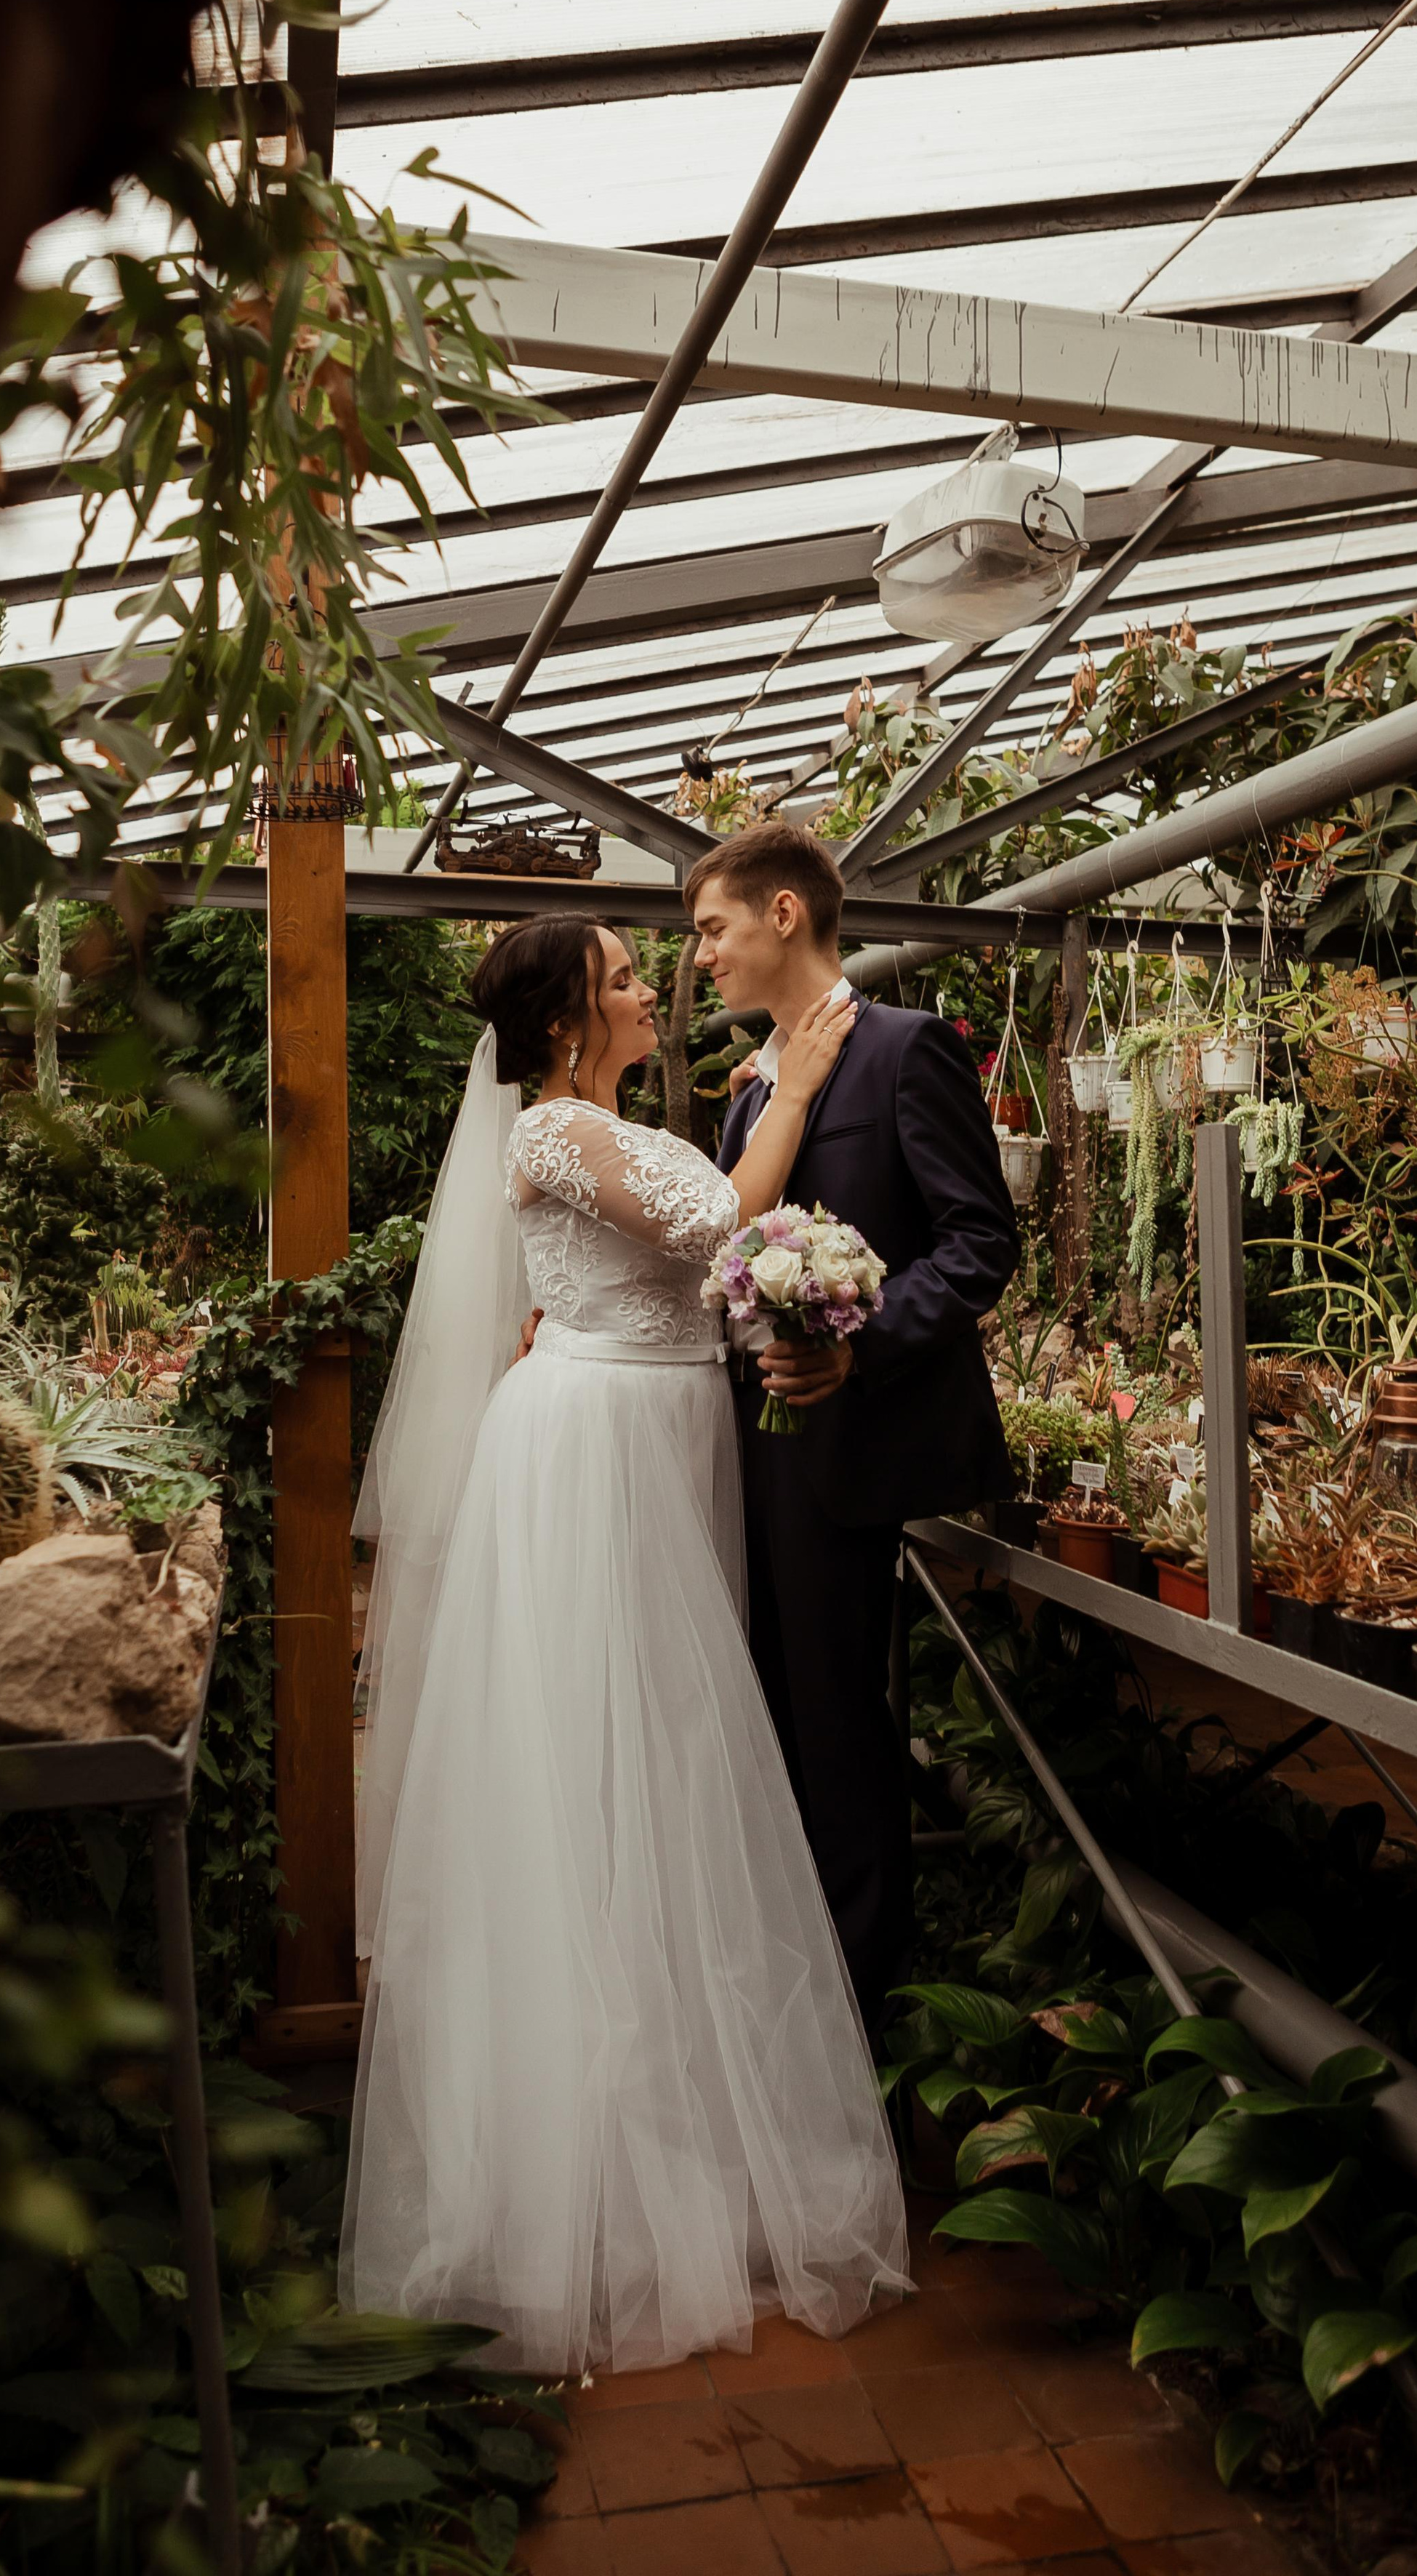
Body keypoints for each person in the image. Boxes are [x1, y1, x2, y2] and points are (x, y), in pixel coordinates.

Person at [342, 915, 908, 2374]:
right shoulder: (553, 1132)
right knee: (604, 1753)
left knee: (663, 1738)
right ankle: (583, 2152)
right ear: (559, 1021)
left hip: (659, 1432)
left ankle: (669, 2100)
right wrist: (800, 1073)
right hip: (596, 1445)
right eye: (618, 972)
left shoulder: (602, 1122)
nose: (647, 980)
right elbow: (723, 1217)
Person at [689, 822, 1021, 2036]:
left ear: (785, 915)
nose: (703, 959)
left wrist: (856, 1342)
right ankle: (789, 1958)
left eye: (713, 930)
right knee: (774, 1706)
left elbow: (980, 1244)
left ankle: (859, 1991)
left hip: (856, 1444)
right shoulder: (757, 1082)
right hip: (759, 1448)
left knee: (835, 1714)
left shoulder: (906, 1050)